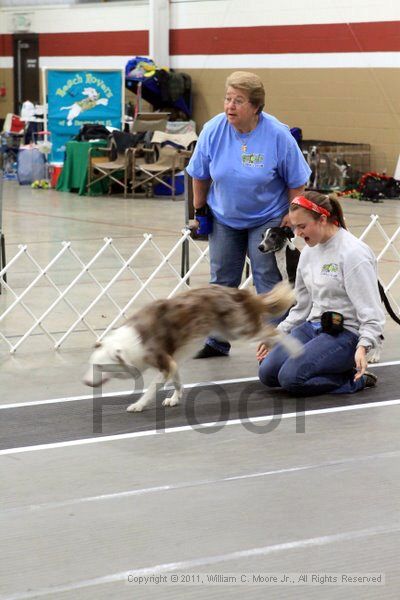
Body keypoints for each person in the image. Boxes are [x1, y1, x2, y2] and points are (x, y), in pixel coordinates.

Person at [186, 71, 311, 358]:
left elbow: (297, 180)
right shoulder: (213, 129)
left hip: (267, 216)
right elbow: (199, 173)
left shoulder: (278, 134)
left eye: (238, 101)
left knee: (267, 279)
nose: (230, 106)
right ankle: (217, 341)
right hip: (224, 215)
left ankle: (274, 341)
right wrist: (200, 209)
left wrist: (292, 215)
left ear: (255, 106)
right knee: (221, 280)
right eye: (228, 99)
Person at [258, 191, 385, 395]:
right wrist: (278, 333)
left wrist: (364, 345)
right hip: (314, 326)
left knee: (290, 379)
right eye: (294, 227)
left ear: (323, 219)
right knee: (267, 373)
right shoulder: (309, 252)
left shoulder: (353, 254)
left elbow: (371, 312)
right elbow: (301, 306)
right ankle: (324, 366)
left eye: (302, 226)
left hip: (346, 333)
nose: (297, 233)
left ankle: (352, 380)